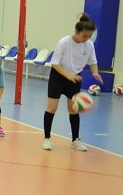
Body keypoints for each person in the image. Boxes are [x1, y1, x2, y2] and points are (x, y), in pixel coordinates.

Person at [43, 15, 102, 152]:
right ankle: (47, 139)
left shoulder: (89, 45)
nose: (86, 38)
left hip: (75, 78)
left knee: (74, 109)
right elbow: (55, 63)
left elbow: (93, 62)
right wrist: (68, 76)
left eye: (89, 36)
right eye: (84, 36)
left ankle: (75, 140)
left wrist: (95, 72)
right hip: (58, 76)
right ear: (77, 32)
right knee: (52, 108)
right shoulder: (64, 42)